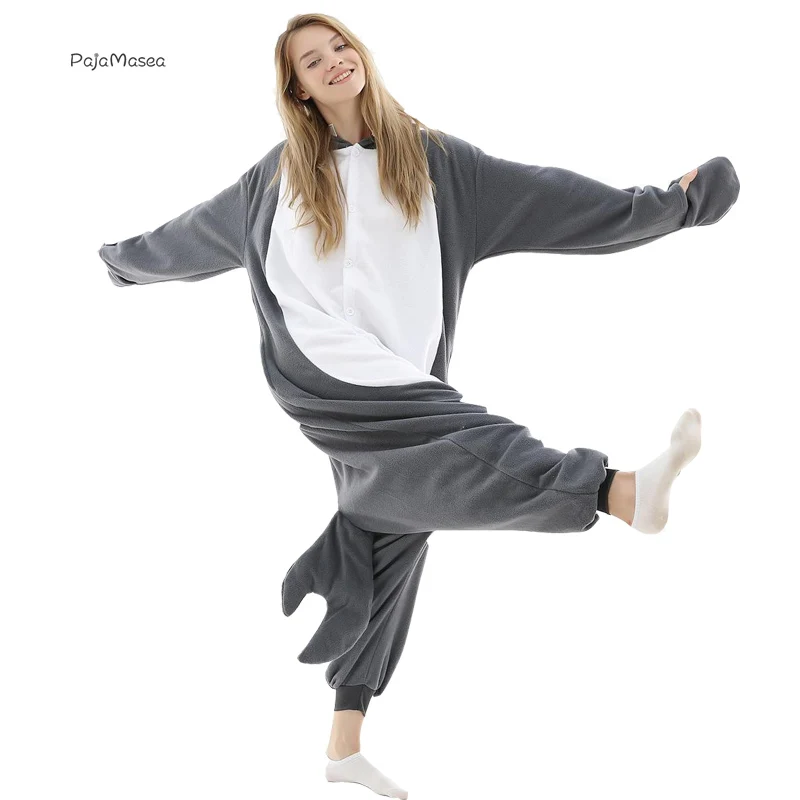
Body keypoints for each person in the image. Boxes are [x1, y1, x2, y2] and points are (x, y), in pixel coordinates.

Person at [98, 13, 739, 799]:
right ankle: (614, 491)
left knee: (386, 526)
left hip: (404, 376)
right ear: (297, 89)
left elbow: (554, 200)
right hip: (318, 369)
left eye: (340, 46)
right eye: (313, 60)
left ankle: (343, 743)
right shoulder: (273, 179)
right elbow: (184, 237)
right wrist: (117, 264)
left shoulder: (439, 164)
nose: (334, 62)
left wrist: (673, 206)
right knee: (467, 443)